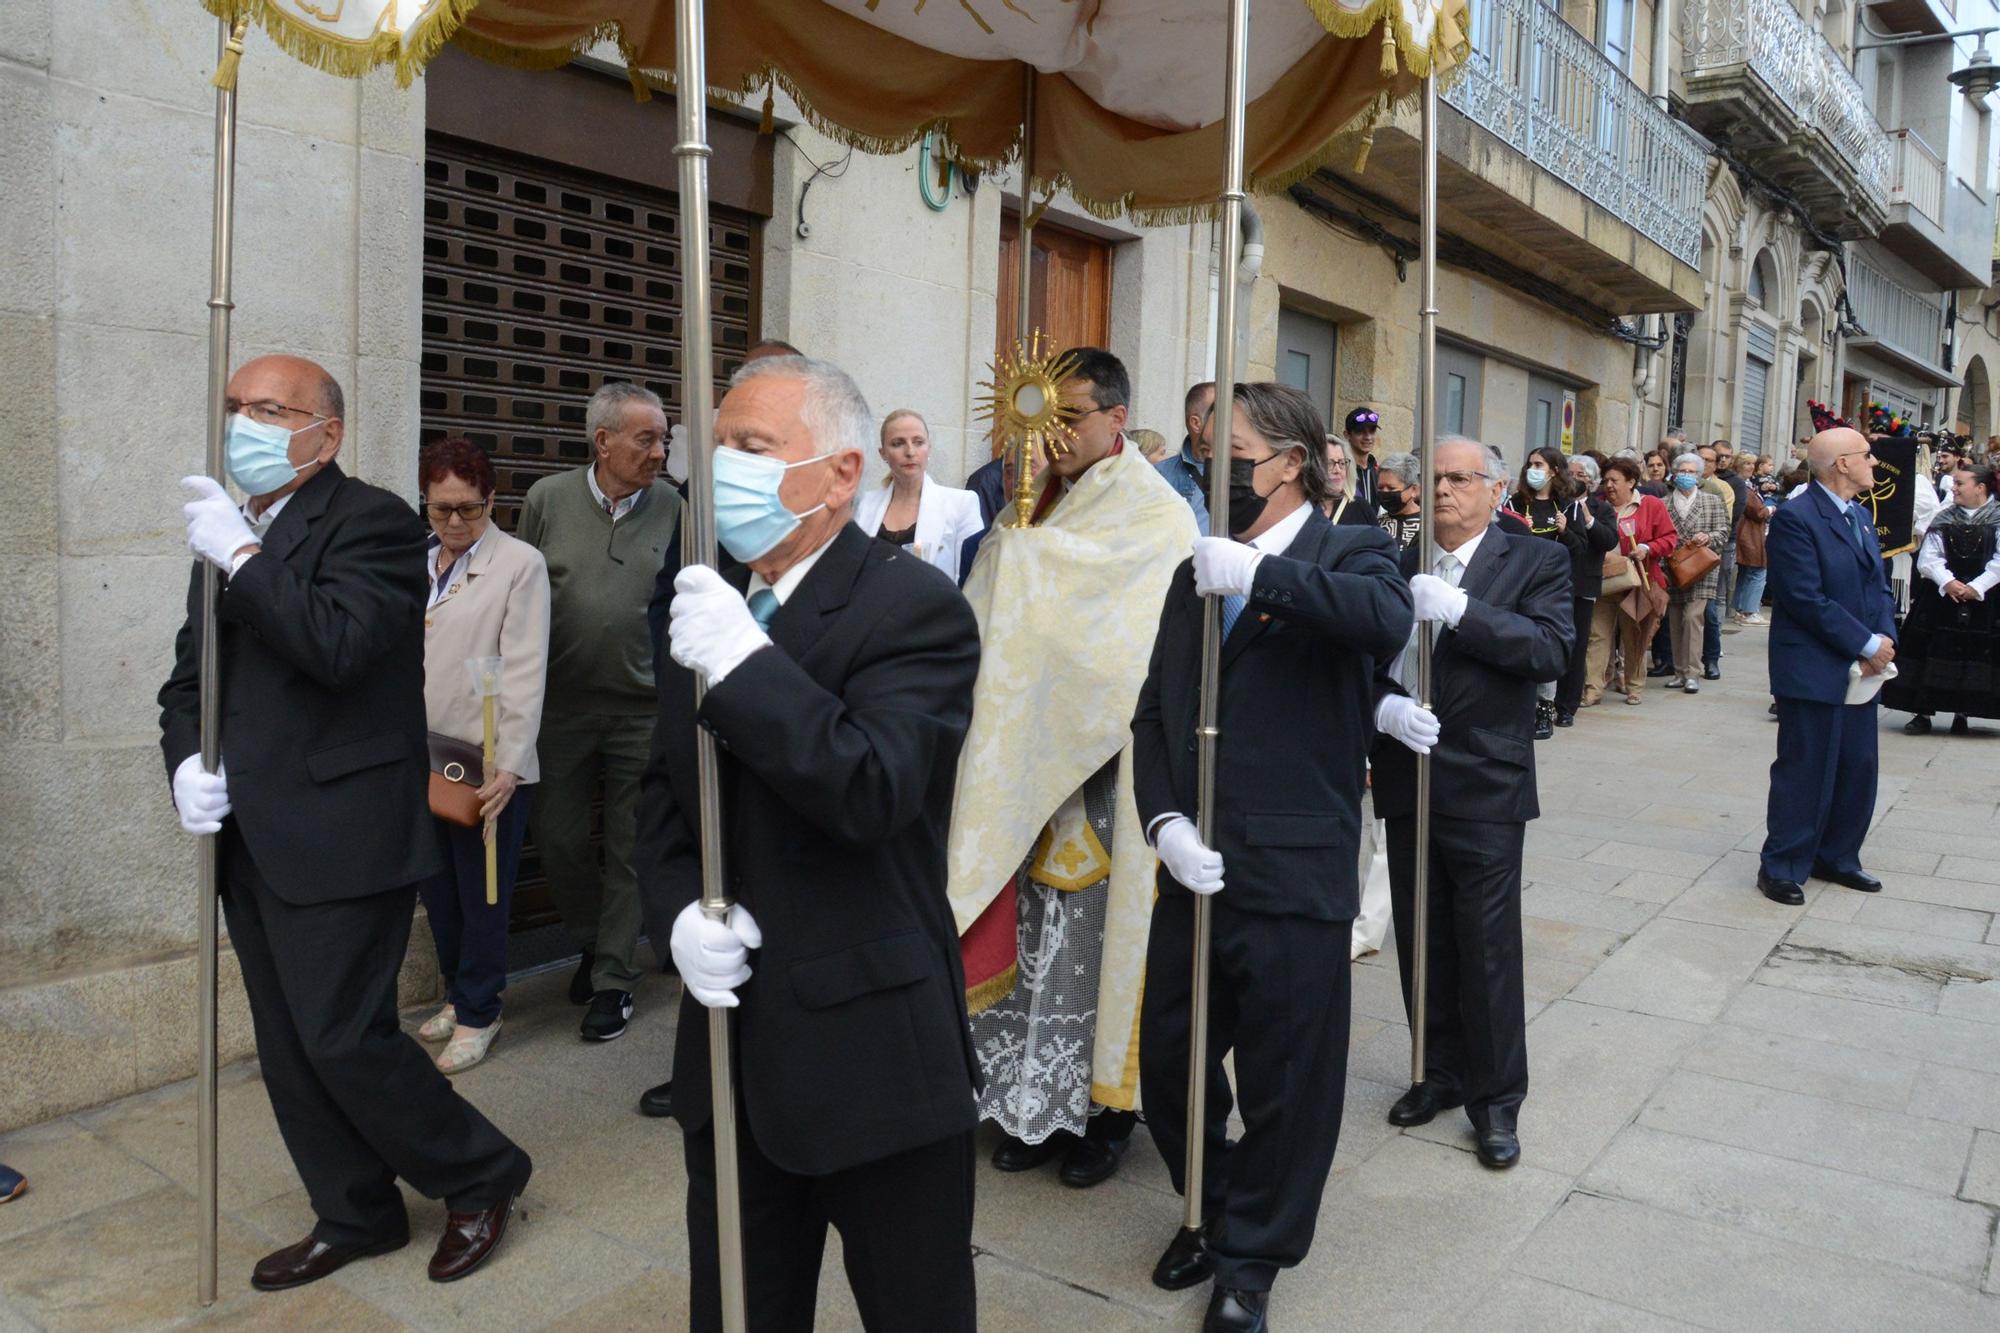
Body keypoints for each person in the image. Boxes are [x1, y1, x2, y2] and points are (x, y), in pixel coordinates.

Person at [160, 355, 531, 1289]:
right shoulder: (229, 529)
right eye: (236, 406)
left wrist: (243, 561)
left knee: (343, 1035)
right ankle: (355, 1208)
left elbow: (335, 644)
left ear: (324, 433)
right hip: (251, 832)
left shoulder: (372, 522)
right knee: (288, 1048)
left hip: (343, 828)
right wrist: (183, 766)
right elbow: (187, 683)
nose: (245, 421)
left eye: (270, 409)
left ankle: (482, 1172)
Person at [638, 354, 983, 1332]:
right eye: (715, 448)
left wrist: (745, 664)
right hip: (730, 1055)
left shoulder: (911, 608)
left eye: (751, 448)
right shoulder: (706, 599)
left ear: (839, 474)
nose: (720, 469)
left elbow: (872, 787)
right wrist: (674, 916)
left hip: (873, 1059)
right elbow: (661, 796)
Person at [1131, 383, 1412, 1331]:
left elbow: (1382, 623)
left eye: (1235, 448)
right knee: (1169, 1059)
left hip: (1294, 864)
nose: (1216, 464)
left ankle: (1251, 1256)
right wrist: (1163, 820)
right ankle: (1208, 1200)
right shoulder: (1192, 571)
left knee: (1289, 1079)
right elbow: (1155, 710)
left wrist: (1259, 578)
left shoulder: (1352, 551)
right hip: (1196, 867)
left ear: (1290, 460)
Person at [950, 348, 1198, 1188]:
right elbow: (988, 609)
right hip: (1023, 759)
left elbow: (1135, 646)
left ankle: (1104, 1115)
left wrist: (1030, 575)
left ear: (1117, 419)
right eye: (1045, 415)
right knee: (1027, 935)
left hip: (1103, 768)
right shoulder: (1026, 501)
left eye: (1074, 415)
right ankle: (1028, 1103)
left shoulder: (1157, 515)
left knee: (1094, 947)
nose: (1054, 434)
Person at [1370, 436, 1572, 1171]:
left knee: (1486, 947)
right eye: (1436, 478)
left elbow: (1549, 650)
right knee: (1422, 936)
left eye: (1462, 478)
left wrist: (1461, 610)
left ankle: (1495, 1100)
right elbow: (1362, 654)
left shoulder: (1535, 559)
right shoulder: (1396, 558)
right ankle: (1438, 1071)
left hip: (1486, 779)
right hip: (1407, 770)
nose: (1445, 490)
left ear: (1497, 489)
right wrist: (1381, 709)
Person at [519, 382, 684, 1044]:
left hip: (643, 708)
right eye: (647, 438)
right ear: (604, 441)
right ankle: (593, 941)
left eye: (664, 438)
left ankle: (614, 977)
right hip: (560, 705)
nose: (660, 450)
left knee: (629, 845)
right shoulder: (546, 501)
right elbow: (522, 585)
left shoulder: (674, 506)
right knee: (556, 837)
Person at [413, 438, 551, 1075]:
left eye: (469, 509)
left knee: (484, 893)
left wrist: (510, 768)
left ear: (492, 501)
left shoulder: (518, 564)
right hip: (425, 755)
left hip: (487, 756)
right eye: (441, 510)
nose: (456, 523)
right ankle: (456, 990)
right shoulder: (419, 561)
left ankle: (481, 1009)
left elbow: (524, 669)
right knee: (438, 888)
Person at [1757, 428, 1899, 906]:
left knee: (1857, 766)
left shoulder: (1858, 514)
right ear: (1841, 463)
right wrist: (1864, 642)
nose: (1874, 462)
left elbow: (1878, 587)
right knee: (1806, 768)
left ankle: (1837, 856)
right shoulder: (1797, 518)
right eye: (1866, 455)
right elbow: (1804, 598)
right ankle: (1782, 864)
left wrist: (1885, 639)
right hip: (1814, 667)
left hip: (1862, 668)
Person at [1888, 462, 2000, 736]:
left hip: (1987, 597)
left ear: (1981, 488)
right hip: (1941, 596)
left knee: (1976, 651)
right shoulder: (1943, 516)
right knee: (1932, 650)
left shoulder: (1997, 518)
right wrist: (1948, 582)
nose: (1954, 488)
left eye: (1961, 483)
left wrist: (1976, 587)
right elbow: (1928, 558)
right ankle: (1922, 711)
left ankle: (1963, 711)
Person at [1511, 447, 1601, 735]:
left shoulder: (1569, 507)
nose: (1533, 469)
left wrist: (1565, 531)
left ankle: (1551, 707)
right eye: (1530, 464)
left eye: (1539, 464)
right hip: (1522, 585)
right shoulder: (1515, 504)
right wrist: (1519, 530)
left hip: (1555, 589)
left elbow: (1580, 549)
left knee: (1554, 645)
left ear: (1554, 471)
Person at [1531, 451, 1617, 726]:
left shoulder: (1601, 508)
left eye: (1580, 475)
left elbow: (1607, 540)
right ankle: (1545, 702)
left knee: (1577, 645)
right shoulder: (1557, 504)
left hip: (1582, 584)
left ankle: (1567, 706)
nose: (1574, 478)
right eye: (1571, 473)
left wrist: (1588, 519)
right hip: (1552, 583)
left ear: (1590, 481)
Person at [850, 408, 984, 582]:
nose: (910, 452)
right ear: (883, 453)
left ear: (929, 448)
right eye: (898, 443)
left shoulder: (961, 504)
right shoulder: (862, 505)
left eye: (918, 442)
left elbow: (973, 577)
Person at [1586, 457, 1677, 706]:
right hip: (1604, 582)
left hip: (1637, 582)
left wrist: (1648, 548)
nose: (1609, 486)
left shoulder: (1651, 505)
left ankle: (1634, 686)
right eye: (1606, 481)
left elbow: (1670, 539)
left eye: (1615, 480)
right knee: (1597, 635)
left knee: (1634, 636)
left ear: (1631, 481)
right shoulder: (1597, 506)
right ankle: (1593, 687)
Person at [1664, 452, 1729, 693]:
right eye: (1682, 471)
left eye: (1692, 472)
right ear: (1675, 473)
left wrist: (1708, 537)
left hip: (1702, 567)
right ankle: (1679, 671)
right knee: (1675, 618)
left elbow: (1724, 532)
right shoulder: (1663, 503)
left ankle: (1693, 672)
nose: (1686, 476)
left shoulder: (1711, 501)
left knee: (1693, 617)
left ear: (1700, 475)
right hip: (1674, 568)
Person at [1158, 380, 1216, 533]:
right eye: (1223, 415)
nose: (1234, 423)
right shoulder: (1158, 475)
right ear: (1196, 423)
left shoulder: (1250, 471)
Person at [1731, 474, 1774, 625]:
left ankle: (1740, 609)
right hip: (1750, 535)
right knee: (1758, 572)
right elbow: (1758, 512)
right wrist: (1770, 509)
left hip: (1746, 535)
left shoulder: (1746, 486)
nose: (1751, 467)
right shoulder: (1745, 489)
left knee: (1745, 573)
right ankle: (1749, 611)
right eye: (1747, 464)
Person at [1322, 434, 1381, 526]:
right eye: (1329, 463)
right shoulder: (1302, 508)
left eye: (1342, 463)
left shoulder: (1361, 509)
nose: (1337, 470)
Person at [1375, 451, 1423, 551]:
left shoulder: (1429, 525)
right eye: (1380, 487)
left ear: (1414, 490)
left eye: (1391, 488)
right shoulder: (1375, 524)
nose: (1385, 492)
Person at [1345, 407, 1383, 507]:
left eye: (1372, 431)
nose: (1368, 437)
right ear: (1347, 435)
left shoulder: (1378, 471)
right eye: (1360, 431)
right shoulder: (1341, 470)